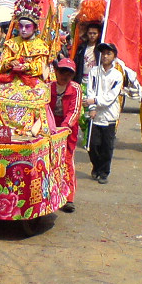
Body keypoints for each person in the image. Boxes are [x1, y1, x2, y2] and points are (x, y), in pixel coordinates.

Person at [0, 0, 51, 136]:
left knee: (38, 94)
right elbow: (1, 64)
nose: (23, 29)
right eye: (20, 26)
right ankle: (2, 128)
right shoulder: (11, 43)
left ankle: (29, 128)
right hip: (12, 78)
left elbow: (43, 68)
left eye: (27, 26)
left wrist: (27, 67)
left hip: (32, 80)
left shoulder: (40, 46)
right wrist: (10, 63)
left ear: (34, 28)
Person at [86, 43, 124, 184]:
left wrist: (94, 101)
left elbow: (111, 97)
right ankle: (96, 166)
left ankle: (103, 172)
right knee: (93, 145)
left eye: (108, 53)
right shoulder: (94, 72)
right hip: (95, 115)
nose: (105, 56)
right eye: (103, 53)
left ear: (114, 56)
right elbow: (90, 89)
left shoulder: (117, 75)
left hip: (109, 115)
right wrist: (92, 107)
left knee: (106, 146)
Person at [49, 58, 82, 212]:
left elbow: (74, 112)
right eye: (62, 71)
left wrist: (64, 128)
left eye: (68, 73)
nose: (64, 76)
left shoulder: (76, 89)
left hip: (67, 131)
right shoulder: (48, 87)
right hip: (49, 128)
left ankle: (69, 198)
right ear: (56, 71)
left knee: (67, 161)